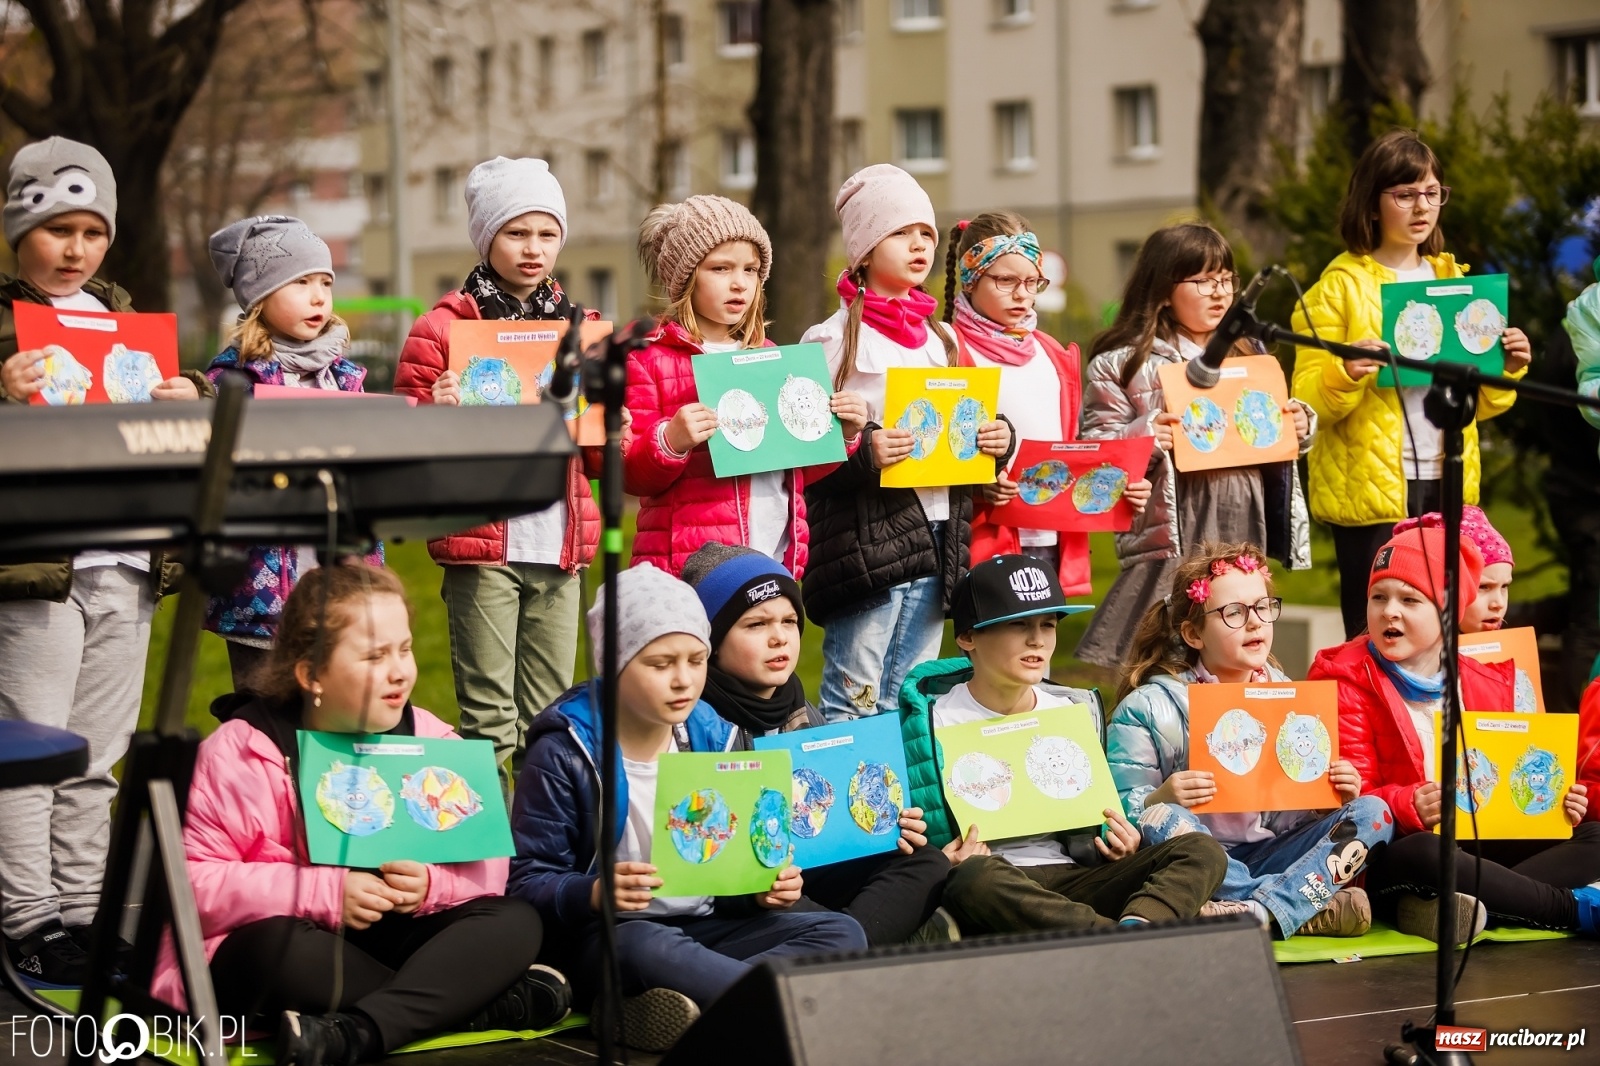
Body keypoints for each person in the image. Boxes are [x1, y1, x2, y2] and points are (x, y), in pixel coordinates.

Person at [151, 565, 568, 1066]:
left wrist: (431, 887)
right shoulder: (243, 750)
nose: (400, 672)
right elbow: (189, 885)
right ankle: (469, 1005)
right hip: (294, 946)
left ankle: (357, 1032)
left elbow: (488, 873)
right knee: (272, 951)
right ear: (312, 674)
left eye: (405, 649)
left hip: (391, 942)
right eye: (374, 656)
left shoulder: (431, 740)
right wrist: (323, 893)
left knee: (516, 920)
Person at [0, 137, 209, 984]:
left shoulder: (125, 320)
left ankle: (84, 913)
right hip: (39, 572)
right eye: (56, 229)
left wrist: (188, 394)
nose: (75, 248)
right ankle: (26, 917)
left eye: (92, 230)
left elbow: (168, 407)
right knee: (28, 752)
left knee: (96, 755)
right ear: (20, 231)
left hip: (125, 564)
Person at [508, 564, 866, 1053]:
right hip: (610, 938)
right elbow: (524, 879)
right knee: (645, 944)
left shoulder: (716, 736)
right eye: (660, 664)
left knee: (838, 930)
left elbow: (733, 867)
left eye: (696, 660)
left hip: (708, 929)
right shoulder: (565, 751)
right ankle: (786, 1011)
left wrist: (763, 890)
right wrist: (593, 893)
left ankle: (678, 1004)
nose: (683, 680)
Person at [394, 157, 602, 796]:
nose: (533, 248)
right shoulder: (443, 329)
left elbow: (599, 457)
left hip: (559, 546)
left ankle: (540, 854)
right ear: (487, 238)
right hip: (484, 546)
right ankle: (488, 865)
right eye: (517, 233)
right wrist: (437, 412)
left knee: (551, 718)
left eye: (546, 233)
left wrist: (606, 415)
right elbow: (404, 447)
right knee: (489, 720)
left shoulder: (582, 329)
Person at [898, 555, 1229, 935]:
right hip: (992, 880)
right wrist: (938, 857)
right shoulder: (928, 721)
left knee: (1201, 850)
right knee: (975, 877)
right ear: (968, 636)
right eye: (1018, 624)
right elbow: (909, 836)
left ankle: (1136, 928)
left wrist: (1119, 838)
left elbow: (1098, 815)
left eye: (1048, 625)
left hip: (1075, 879)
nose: (1037, 639)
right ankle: (1124, 940)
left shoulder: (1072, 710)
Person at [1290, 128, 1531, 638]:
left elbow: (1480, 405)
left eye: (1432, 193)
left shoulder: (1456, 282)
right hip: (1372, 491)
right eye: (1405, 194)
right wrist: (1346, 371)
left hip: (1448, 479)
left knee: (1449, 629)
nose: (1422, 207)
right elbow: (1303, 404)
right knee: (1380, 630)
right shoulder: (1337, 289)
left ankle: (1439, 720)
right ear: (1372, 204)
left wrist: (1506, 370)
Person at [1308, 526, 1600, 941]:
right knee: (1429, 853)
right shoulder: (1343, 678)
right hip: (1391, 850)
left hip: (1473, 841)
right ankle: (1569, 909)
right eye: (1379, 597)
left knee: (1592, 834)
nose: (1390, 611)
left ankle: (1464, 902)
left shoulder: (1485, 679)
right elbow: (1348, 798)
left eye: (1409, 600)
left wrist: (1555, 803)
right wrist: (1409, 803)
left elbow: (1506, 788)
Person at [801, 165, 1013, 721]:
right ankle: (844, 805)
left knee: (911, 696)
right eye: (900, 232)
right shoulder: (831, 339)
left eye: (927, 233)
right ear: (864, 250)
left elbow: (971, 417)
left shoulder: (944, 338)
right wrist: (864, 450)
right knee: (855, 696)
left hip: (940, 537)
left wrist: (999, 437)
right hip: (865, 543)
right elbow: (806, 447)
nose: (919, 245)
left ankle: (900, 808)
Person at [1105, 542, 1393, 938]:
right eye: (1234, 613)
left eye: (1262, 607)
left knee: (1373, 813)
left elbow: (1290, 811)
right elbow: (1119, 815)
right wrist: (1162, 797)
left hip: (1272, 855)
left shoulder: (1288, 697)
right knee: (1165, 818)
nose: (1255, 622)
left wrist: (1328, 798)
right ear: (1193, 633)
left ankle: (1255, 910)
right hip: (1193, 863)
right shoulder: (1150, 708)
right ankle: (1288, 908)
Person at [682, 542, 953, 945]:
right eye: (756, 625)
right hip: (741, 888)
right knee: (807, 910)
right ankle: (851, 943)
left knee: (925, 860)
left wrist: (886, 830)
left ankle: (842, 945)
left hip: (808, 867)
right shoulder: (689, 722)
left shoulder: (801, 710)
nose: (779, 639)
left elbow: (831, 824)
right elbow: (696, 856)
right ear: (712, 641)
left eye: (789, 622)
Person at [1076, 222, 1313, 670]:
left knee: (1235, 619)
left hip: (1242, 508)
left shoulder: (1250, 350)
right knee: (1165, 640)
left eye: (1226, 280)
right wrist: (1144, 435)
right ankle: (1160, 720)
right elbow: (1096, 451)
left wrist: (1300, 422)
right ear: (1164, 289)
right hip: (1175, 520)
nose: (1219, 292)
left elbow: (1266, 422)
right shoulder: (1124, 363)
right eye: (1203, 281)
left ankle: (1231, 711)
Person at [624, 195, 867, 576]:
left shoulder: (770, 356)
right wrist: (670, 441)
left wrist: (844, 435)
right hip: (689, 565)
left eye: (751, 270)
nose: (739, 283)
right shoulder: (649, 359)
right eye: (721, 268)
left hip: (772, 553)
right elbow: (631, 475)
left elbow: (798, 467)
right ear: (685, 276)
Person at [203, 215, 376, 689]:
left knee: (338, 716)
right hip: (262, 594)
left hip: (339, 588)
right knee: (264, 717)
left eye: (325, 282)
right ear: (259, 296)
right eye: (301, 282)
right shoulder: (229, 383)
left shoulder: (346, 380)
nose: (320, 296)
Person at [940, 211, 1150, 594]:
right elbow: (935, 445)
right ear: (971, 278)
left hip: (1053, 537)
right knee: (993, 648)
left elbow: (1073, 448)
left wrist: (1122, 486)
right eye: (1005, 280)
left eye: (1032, 281)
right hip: (986, 540)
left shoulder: (1053, 354)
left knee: (1039, 650)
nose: (1023, 294)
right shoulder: (948, 350)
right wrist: (978, 489)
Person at [1399, 506, 1537, 711]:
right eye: (1483, 587)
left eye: (1504, 587)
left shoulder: (1513, 658)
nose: (1498, 602)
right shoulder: (1412, 661)